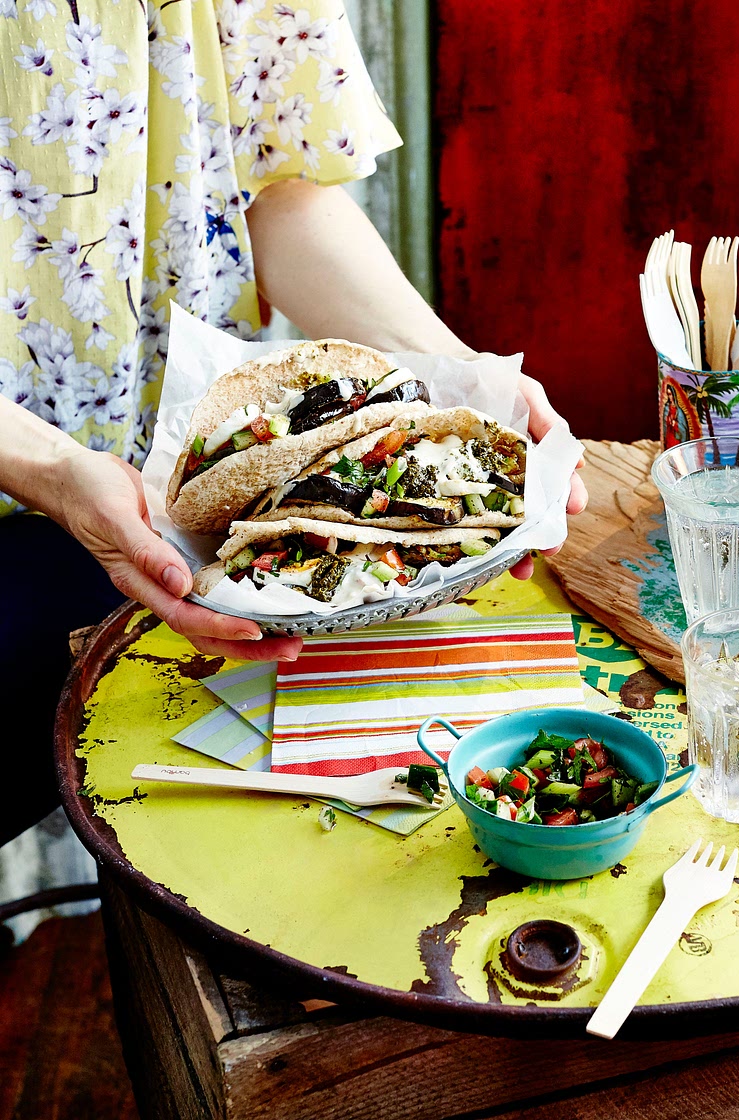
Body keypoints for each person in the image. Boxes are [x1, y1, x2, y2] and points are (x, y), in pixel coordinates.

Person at [0, 0, 586, 844]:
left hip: (156, 531)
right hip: (63, 523)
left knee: (170, 826)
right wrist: (51, 470)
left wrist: (453, 375)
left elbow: (276, 186)